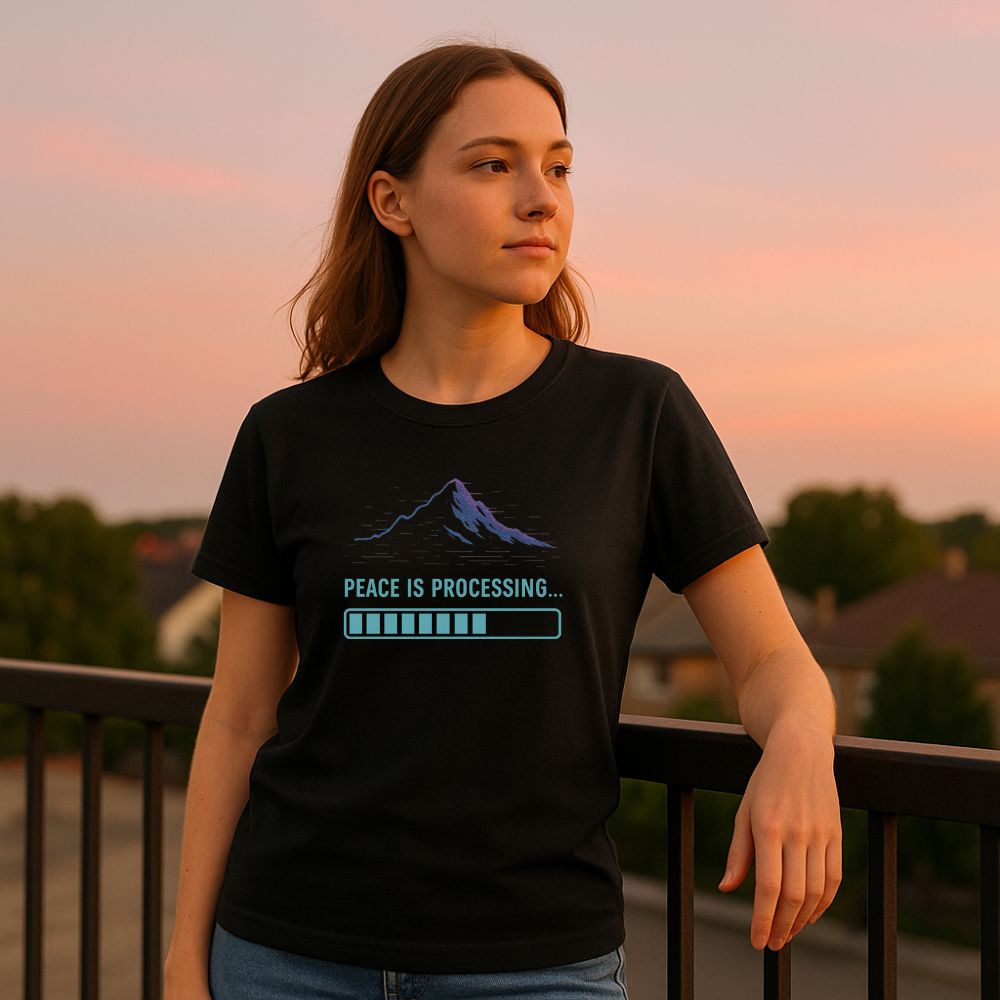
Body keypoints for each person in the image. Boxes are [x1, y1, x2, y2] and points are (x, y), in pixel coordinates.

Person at [163, 37, 842, 1000]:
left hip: (537, 963)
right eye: (493, 165)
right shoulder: (289, 435)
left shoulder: (637, 414)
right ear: (392, 201)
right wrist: (184, 958)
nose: (541, 199)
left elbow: (773, 658)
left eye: (558, 168)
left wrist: (802, 748)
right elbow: (239, 717)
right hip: (286, 952)